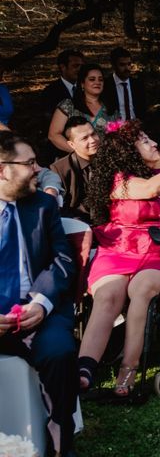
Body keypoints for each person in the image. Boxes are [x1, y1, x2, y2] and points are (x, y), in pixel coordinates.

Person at [77, 120, 160, 396]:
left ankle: (128, 369)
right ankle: (84, 368)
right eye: (145, 141)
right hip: (118, 249)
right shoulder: (119, 181)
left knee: (141, 291)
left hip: (157, 251)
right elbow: (149, 190)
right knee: (108, 296)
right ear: (129, 153)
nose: (154, 143)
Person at [0, 131, 78, 456]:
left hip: (39, 311)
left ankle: (60, 433)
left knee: (60, 350)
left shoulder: (43, 206)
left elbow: (62, 259)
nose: (37, 170)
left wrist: (42, 303)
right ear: (3, 170)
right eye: (30, 163)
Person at [48, 63, 117, 154]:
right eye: (92, 79)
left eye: (101, 79)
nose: (97, 82)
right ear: (82, 84)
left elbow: (116, 138)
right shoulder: (68, 105)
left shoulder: (110, 108)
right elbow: (53, 135)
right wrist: (80, 154)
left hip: (105, 161)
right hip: (76, 161)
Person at [39, 49, 85, 165]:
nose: (80, 70)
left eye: (81, 66)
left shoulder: (85, 88)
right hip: (60, 150)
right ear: (63, 67)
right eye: (75, 66)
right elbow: (48, 124)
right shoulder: (50, 92)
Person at [50, 116, 100, 223]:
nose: (92, 140)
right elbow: (60, 209)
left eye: (93, 134)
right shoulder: (60, 169)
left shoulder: (109, 159)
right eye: (84, 138)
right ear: (72, 144)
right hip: (77, 225)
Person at [102, 47, 147, 122]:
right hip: (114, 128)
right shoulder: (106, 85)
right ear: (113, 65)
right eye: (122, 65)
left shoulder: (138, 84)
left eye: (129, 64)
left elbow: (142, 110)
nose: (127, 68)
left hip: (136, 127)